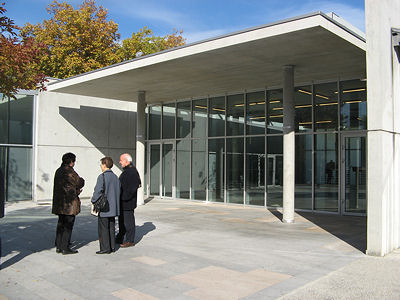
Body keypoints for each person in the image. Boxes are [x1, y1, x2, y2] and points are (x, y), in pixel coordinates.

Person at [52, 153, 85, 255]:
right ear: (71, 162)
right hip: (69, 203)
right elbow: (79, 182)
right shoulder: (70, 172)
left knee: (61, 223)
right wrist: (82, 181)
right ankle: (65, 247)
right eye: (74, 161)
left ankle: (59, 244)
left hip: (60, 203)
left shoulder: (58, 170)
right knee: (68, 224)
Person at [91, 157, 120, 254]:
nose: (100, 166)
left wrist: (93, 200)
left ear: (104, 164)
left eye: (101, 164)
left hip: (104, 207)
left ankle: (105, 248)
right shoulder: (116, 177)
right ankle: (112, 246)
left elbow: (97, 191)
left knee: (103, 228)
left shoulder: (102, 176)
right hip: (113, 207)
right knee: (111, 227)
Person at [116, 153, 141, 248]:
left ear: (127, 161)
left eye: (121, 160)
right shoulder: (127, 171)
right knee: (122, 221)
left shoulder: (132, 172)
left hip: (128, 202)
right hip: (123, 201)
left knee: (128, 222)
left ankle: (130, 240)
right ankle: (119, 237)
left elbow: (132, 188)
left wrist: (124, 197)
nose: (120, 162)